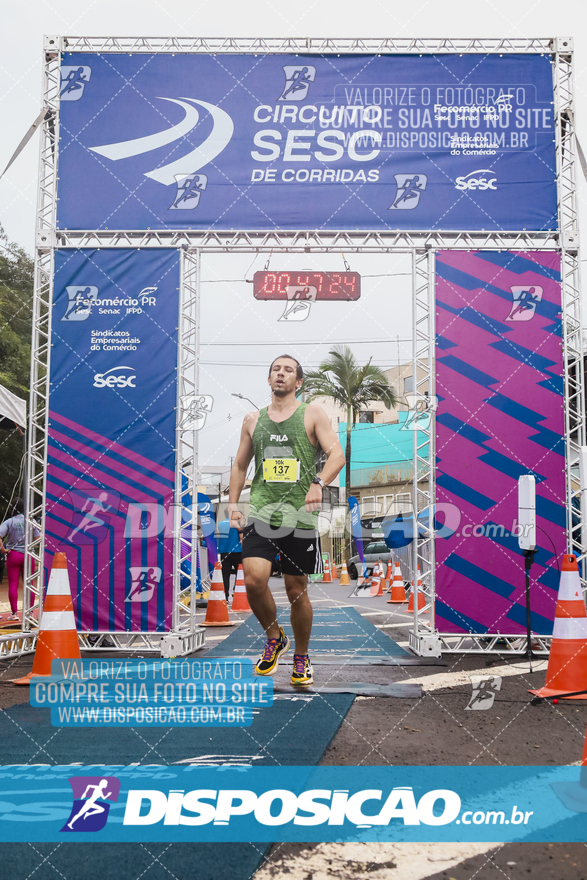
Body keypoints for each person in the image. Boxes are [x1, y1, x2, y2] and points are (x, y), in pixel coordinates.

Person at [228, 355, 344, 686]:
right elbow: (239, 465)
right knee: (253, 580)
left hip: (300, 515)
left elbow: (337, 454)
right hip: (263, 510)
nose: (281, 374)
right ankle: (274, 636)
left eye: (288, 370)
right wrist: (234, 504)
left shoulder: (312, 413)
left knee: (296, 589)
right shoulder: (252, 419)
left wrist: (318, 483)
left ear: (299, 382)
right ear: (268, 380)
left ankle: (302, 656)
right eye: (276, 370)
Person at [0, 498, 34, 621]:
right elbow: (37, 537)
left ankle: (14, 613)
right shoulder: (31, 521)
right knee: (29, 584)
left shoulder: (9, 521)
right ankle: (30, 613)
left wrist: (3, 549)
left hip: (13, 554)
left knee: (13, 584)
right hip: (28, 554)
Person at [217, 507, 243, 601]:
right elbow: (242, 538)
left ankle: (225, 595)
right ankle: (236, 593)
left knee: (225, 574)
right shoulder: (237, 524)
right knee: (239, 573)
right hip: (237, 551)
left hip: (224, 551)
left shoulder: (220, 524)